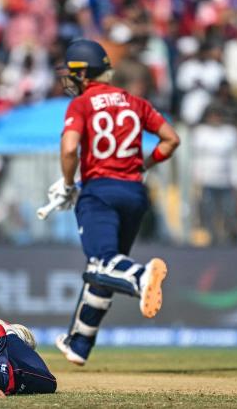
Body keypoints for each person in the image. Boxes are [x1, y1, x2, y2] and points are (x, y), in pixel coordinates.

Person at [49, 39, 180, 366]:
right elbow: (171, 139)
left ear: (82, 73)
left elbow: (68, 149)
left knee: (100, 262)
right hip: (135, 194)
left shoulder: (81, 104)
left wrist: (67, 184)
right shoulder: (136, 102)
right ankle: (79, 343)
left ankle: (139, 277)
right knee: (106, 266)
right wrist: (145, 165)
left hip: (100, 192)